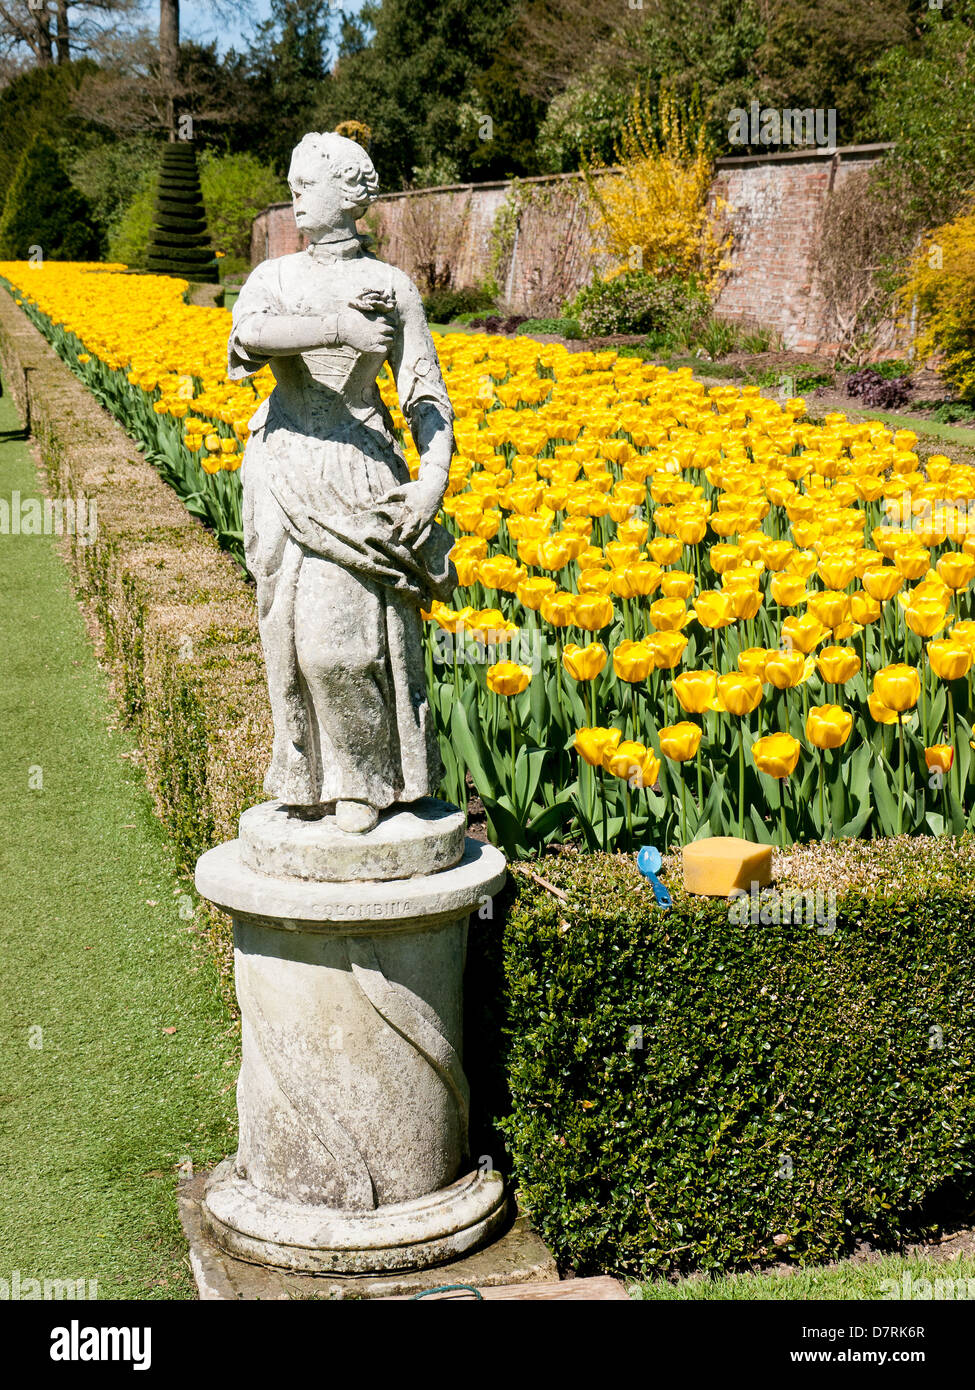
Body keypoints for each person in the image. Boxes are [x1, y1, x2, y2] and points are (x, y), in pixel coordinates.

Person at [228, 132, 456, 834]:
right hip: (282, 465)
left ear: (353, 195)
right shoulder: (273, 278)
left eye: (308, 183)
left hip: (356, 471)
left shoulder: (393, 287)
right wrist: (336, 327)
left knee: (343, 648)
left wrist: (431, 480)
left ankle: (366, 780)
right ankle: (307, 777)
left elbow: (425, 395)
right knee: (291, 645)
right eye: (292, 182)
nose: (295, 194)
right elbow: (248, 336)